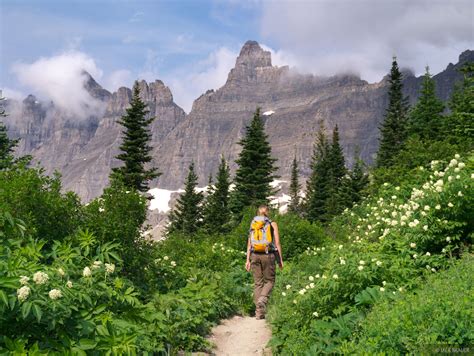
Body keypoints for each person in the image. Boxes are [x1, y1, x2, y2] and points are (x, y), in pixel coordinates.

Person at [245, 205, 283, 319]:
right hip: (268, 255)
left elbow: (249, 243)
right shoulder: (272, 223)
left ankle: (259, 313)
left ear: (258, 212)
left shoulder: (253, 223)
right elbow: (277, 243)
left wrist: (247, 260)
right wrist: (280, 260)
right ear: (268, 212)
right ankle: (263, 299)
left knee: (258, 283)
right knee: (270, 281)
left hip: (254, 255)